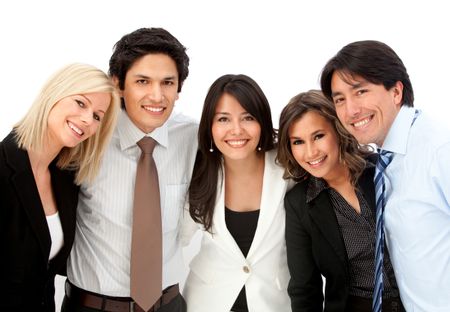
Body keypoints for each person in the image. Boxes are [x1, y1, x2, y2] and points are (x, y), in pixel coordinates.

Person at [62, 28, 197, 312]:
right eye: (142, 81)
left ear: (179, 88)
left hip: (168, 305)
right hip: (91, 306)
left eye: (168, 82)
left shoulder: (194, 137)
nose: (157, 96)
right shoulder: (86, 136)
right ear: (118, 84)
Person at [320, 40, 450, 312]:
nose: (351, 110)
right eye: (340, 99)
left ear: (396, 92)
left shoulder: (440, 150)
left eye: (361, 91)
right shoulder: (384, 161)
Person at [0, 63, 120, 312]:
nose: (88, 119)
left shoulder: (65, 178)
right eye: (80, 103)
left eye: (97, 116)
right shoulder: (3, 167)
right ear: (55, 93)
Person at [277, 90, 403, 312]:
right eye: (298, 142)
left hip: (417, 302)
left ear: (338, 130)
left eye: (318, 136)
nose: (310, 152)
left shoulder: (385, 170)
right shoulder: (299, 203)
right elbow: (305, 289)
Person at [180, 74, 291, 312]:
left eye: (248, 117)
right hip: (206, 302)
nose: (236, 130)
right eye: (223, 119)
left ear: (262, 120)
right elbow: (176, 237)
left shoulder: (288, 170)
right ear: (210, 126)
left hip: (274, 303)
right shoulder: (197, 171)